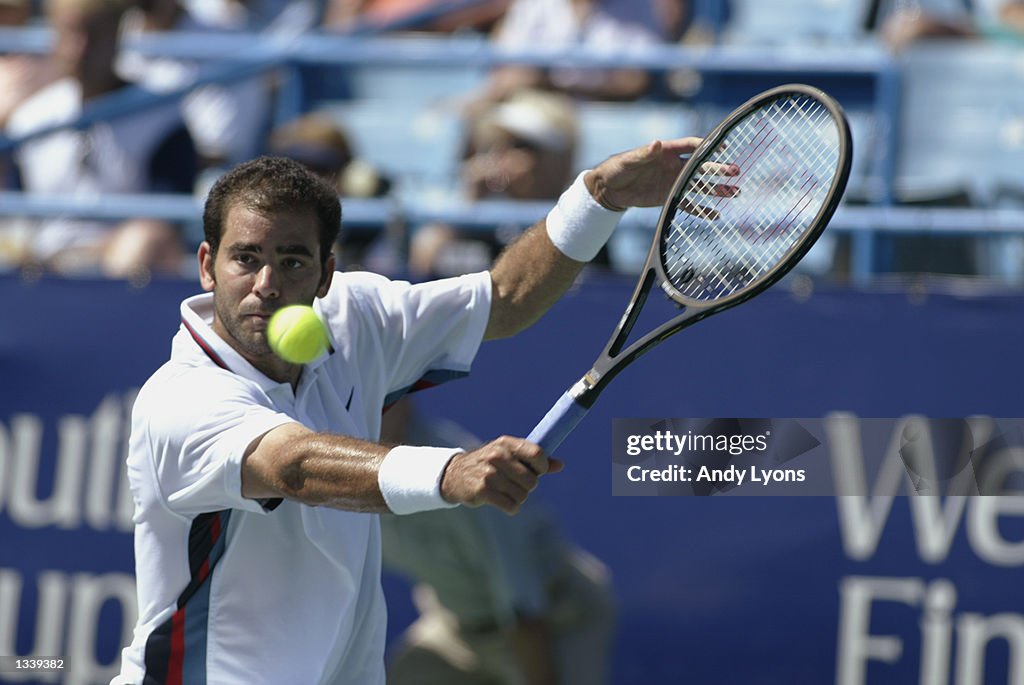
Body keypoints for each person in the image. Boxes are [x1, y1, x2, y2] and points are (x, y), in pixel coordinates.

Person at [112, 132, 727, 683]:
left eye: (292, 261)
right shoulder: (181, 397)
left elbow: (507, 297)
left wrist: (596, 198)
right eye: (246, 258)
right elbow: (294, 466)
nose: (267, 284)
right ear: (206, 267)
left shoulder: (356, 318)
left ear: (326, 275)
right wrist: (448, 472)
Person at [380, 398, 615, 685]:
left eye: (390, 396)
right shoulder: (350, 477)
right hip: (455, 628)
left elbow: (525, 612)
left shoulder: (462, 472)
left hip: (557, 619)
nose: (375, 405)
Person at [1, 0, 197, 277]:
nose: (80, 50)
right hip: (38, 270)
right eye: (70, 33)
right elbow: (15, 219)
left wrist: (86, 256)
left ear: (118, 35)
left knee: (144, 240)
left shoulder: (161, 120)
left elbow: (164, 224)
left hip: (120, 272)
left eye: (94, 35)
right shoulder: (31, 119)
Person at [410, 88, 580, 279]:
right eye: (501, 143)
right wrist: (470, 205)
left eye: (522, 145)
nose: (501, 155)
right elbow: (423, 264)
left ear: (559, 161)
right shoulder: (485, 222)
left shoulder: (580, 220)